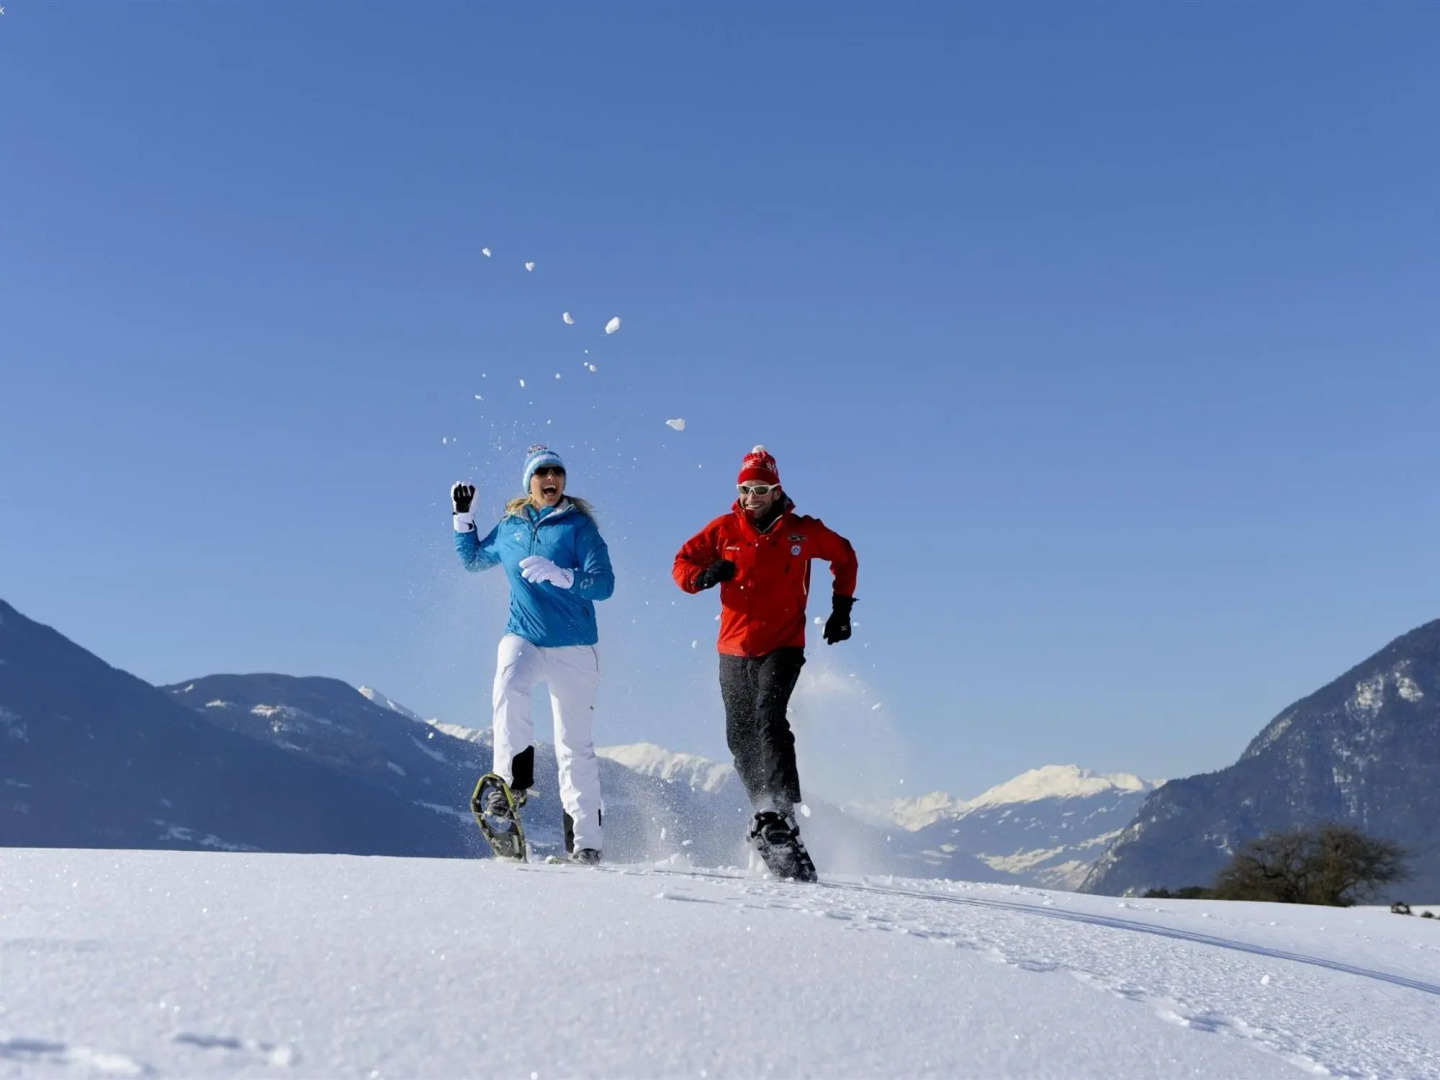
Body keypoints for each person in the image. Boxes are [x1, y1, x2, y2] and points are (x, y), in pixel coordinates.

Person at [672, 445, 858, 881]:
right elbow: (682, 563)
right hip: (733, 648)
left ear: (776, 491)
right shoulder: (723, 529)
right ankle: (765, 811)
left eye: (759, 489)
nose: (750, 497)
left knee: (769, 720)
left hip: (783, 645)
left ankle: (783, 811)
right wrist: (703, 576)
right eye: (744, 489)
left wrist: (842, 607)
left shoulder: (801, 532)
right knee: (739, 737)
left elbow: (845, 555)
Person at [452, 444, 615, 864]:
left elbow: (604, 584)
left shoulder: (579, 526)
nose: (551, 478)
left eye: (557, 471)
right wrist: (463, 519)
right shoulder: (512, 525)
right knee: (508, 684)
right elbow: (474, 560)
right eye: (542, 472)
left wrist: (565, 576)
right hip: (524, 634)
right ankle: (509, 787)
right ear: (530, 482)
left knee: (574, 744)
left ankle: (586, 844)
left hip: (575, 645)